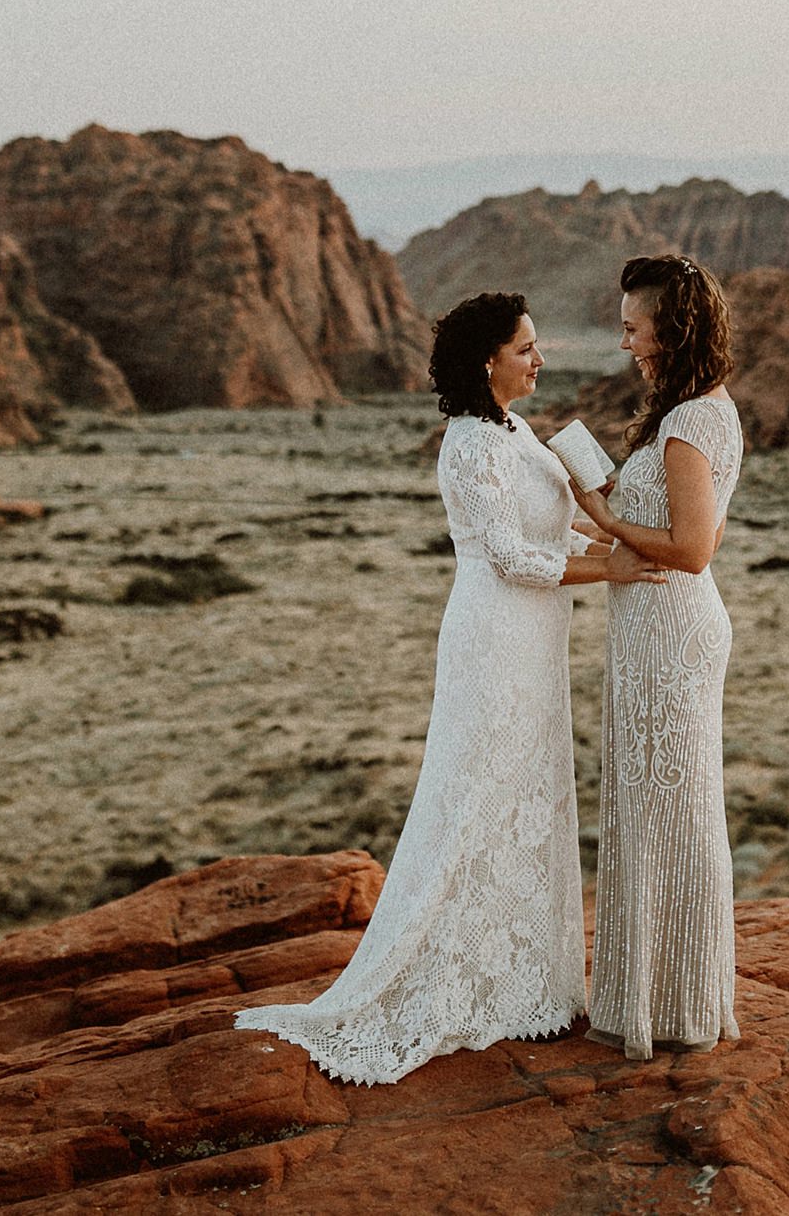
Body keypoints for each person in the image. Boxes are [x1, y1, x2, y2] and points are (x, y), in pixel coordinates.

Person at [234, 292, 666, 1083]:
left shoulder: (513, 430)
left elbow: (547, 530)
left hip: (536, 639)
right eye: (527, 349)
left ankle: (522, 981)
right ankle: (457, 981)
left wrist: (612, 533)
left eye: (537, 346)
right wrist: (610, 567)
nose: (541, 360)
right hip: (495, 634)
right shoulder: (468, 445)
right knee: (478, 792)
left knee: (526, 792)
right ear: (486, 362)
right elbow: (508, 557)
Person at [569, 255, 744, 1058]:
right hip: (653, 629)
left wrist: (604, 510)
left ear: (671, 330)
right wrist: (601, 521)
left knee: (669, 812)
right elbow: (658, 532)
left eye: (635, 328)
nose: (626, 343)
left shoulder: (689, 423)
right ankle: (667, 1000)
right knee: (655, 810)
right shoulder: (690, 411)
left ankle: (670, 1010)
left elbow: (693, 549)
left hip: (671, 633)